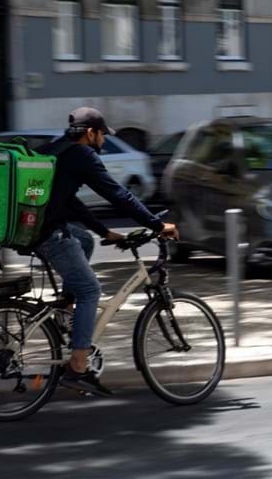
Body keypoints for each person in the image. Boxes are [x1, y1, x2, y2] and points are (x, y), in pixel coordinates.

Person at [35, 107, 179, 396]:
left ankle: (66, 308)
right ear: (91, 133)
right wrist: (156, 224)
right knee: (90, 291)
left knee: (85, 241)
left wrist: (103, 232)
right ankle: (77, 366)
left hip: (37, 228)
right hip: (50, 234)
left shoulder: (58, 150)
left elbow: (68, 202)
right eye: (102, 135)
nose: (103, 142)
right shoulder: (82, 155)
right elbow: (118, 194)